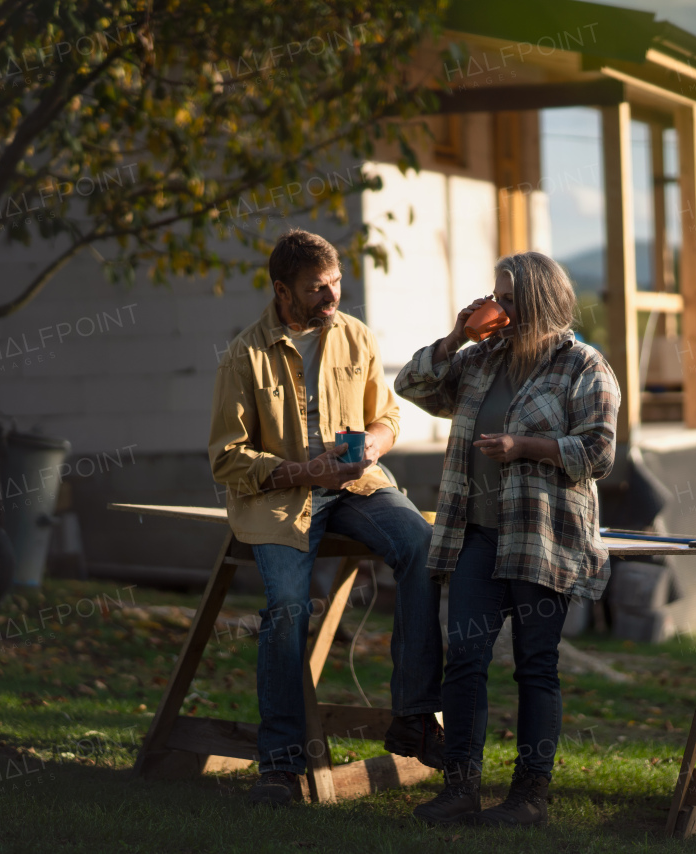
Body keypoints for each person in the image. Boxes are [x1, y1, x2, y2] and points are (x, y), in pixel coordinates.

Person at [209, 229, 445, 806]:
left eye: (337, 283)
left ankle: (413, 718)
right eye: (318, 289)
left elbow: (387, 416)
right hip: (283, 500)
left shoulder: (355, 336)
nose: (332, 296)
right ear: (283, 292)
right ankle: (281, 766)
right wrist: (306, 474)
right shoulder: (245, 353)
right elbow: (226, 458)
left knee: (421, 545)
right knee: (288, 609)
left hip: (359, 485)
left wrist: (374, 446)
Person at [395, 251, 620, 827]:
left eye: (512, 298)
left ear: (542, 301)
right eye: (497, 294)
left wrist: (527, 448)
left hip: (543, 540)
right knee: (465, 659)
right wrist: (453, 336)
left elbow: (598, 452)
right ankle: (460, 787)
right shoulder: (481, 359)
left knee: (535, 665)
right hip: (478, 535)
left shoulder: (583, 366)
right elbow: (413, 385)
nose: (501, 307)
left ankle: (528, 798)